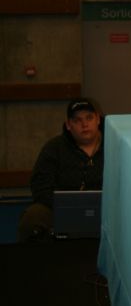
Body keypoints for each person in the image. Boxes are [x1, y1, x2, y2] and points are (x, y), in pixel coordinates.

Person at [18, 98, 104, 242]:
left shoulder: (114, 146)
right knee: (32, 217)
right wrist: (67, 207)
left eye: (89, 118)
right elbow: (40, 186)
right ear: (68, 125)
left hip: (103, 209)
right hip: (60, 209)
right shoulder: (54, 148)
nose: (84, 124)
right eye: (77, 120)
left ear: (98, 120)